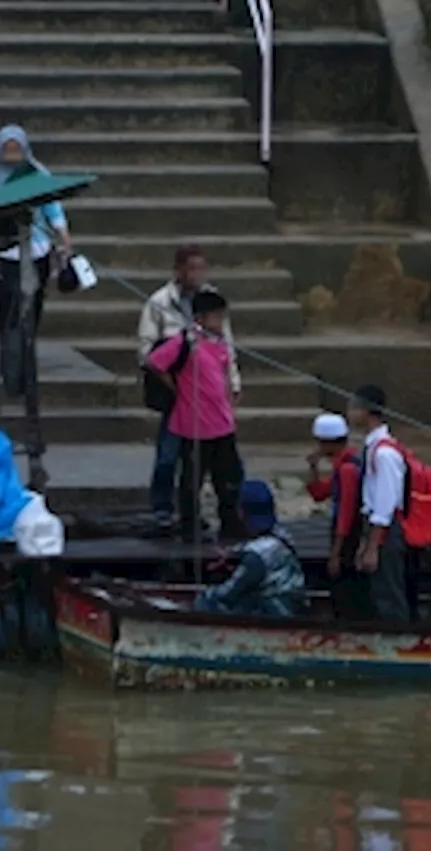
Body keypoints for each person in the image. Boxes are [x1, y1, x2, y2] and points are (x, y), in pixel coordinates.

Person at [138, 245, 242, 534]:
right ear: (179, 270)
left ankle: (230, 512)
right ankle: (165, 510)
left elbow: (227, 349)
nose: (197, 274)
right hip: (180, 391)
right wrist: (174, 383)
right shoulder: (160, 302)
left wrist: (232, 384)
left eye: (201, 268)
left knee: (225, 464)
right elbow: (149, 354)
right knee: (171, 456)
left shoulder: (213, 301)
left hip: (213, 401)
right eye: (191, 268)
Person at [0, 125, 71, 389]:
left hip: (36, 252)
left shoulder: (37, 175)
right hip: (2, 255)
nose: (12, 154)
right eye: (7, 149)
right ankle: (11, 372)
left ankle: (25, 368)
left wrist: (64, 237)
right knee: (8, 312)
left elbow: (53, 210)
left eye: (16, 149)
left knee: (32, 310)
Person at [348, 384, 414, 623]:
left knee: (389, 593)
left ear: (367, 411)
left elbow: (384, 506)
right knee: (379, 592)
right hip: (374, 528)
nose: (350, 413)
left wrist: (373, 546)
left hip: (385, 531)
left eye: (354, 407)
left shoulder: (385, 454)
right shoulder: (373, 447)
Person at [194, 480, 306, 617]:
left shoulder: (255, 558)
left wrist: (204, 596)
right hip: (293, 602)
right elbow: (253, 548)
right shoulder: (282, 536)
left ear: (241, 513)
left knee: (207, 603)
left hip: (275, 610)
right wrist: (233, 553)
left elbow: (227, 593)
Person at [305, 412, 370, 621]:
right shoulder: (343, 465)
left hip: (349, 539)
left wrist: (336, 553)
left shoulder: (347, 470)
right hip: (347, 535)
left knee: (346, 591)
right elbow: (319, 494)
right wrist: (313, 469)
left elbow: (346, 513)